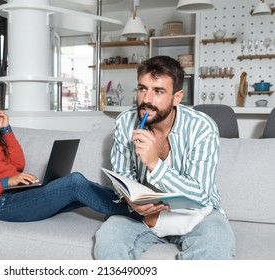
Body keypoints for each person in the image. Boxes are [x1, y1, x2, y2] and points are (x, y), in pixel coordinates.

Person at [93, 56, 235, 260]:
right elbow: (122, 176)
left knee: (217, 245)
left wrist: (154, 164)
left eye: (158, 91)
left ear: (177, 97)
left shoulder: (202, 127)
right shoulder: (126, 122)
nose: (147, 99)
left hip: (197, 214)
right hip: (144, 215)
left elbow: (201, 195)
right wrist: (130, 200)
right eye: (142, 89)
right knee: (109, 239)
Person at [0, 85, 143, 223]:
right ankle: (145, 214)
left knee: (88, 189)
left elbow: (18, 164)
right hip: (2, 204)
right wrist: (7, 182)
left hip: (22, 193)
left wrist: (6, 129)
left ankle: (142, 203)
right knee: (75, 182)